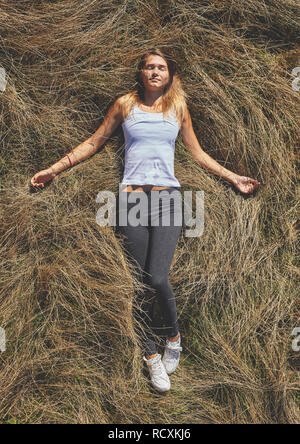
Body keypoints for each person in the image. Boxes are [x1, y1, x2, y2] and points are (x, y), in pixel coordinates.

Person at [31, 48, 260, 393]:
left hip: (168, 198)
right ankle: (152, 358)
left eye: (161, 68)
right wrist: (54, 168)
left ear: (169, 75)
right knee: (138, 285)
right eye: (149, 67)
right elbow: (94, 142)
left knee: (156, 276)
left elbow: (197, 153)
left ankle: (174, 338)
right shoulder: (125, 105)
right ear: (140, 73)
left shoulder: (178, 108)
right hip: (131, 199)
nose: (154, 72)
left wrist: (233, 178)